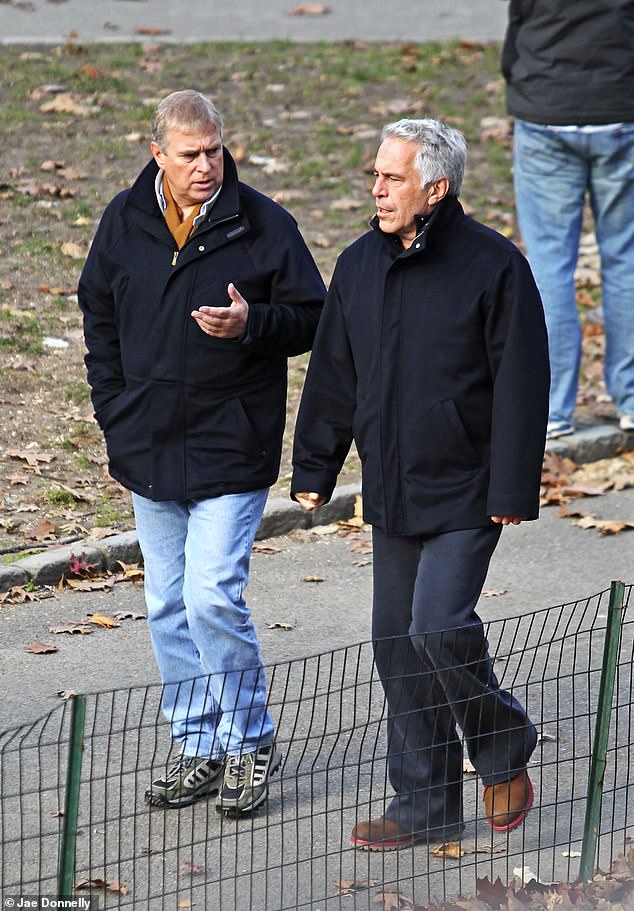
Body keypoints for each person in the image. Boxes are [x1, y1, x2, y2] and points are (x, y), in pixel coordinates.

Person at [291, 119, 549, 850]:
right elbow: (334, 373)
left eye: (392, 177)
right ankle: (427, 801)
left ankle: (502, 745)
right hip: (394, 489)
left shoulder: (495, 266)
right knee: (396, 644)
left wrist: (511, 486)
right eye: (374, 174)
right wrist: (316, 465)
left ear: (434, 188)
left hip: (469, 486)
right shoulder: (357, 265)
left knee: (437, 624)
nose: (375, 188)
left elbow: (522, 385)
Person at [79, 90, 325, 815]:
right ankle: (197, 745)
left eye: (216, 149)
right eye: (190, 154)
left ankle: (249, 742)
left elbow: (313, 316)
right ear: (158, 153)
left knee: (211, 595)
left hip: (231, 444)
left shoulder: (264, 225)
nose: (207, 166)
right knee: (164, 604)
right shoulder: (124, 223)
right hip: (147, 445)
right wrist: (113, 411)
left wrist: (254, 322)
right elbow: (97, 312)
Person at [501, 0, 634, 439]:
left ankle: (552, 408)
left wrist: (519, 83)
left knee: (548, 265)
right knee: (627, 259)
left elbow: (519, 23)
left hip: (546, 106)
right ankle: (630, 398)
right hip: (622, 105)